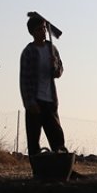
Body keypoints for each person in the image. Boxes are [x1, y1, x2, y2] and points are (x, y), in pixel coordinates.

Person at [19, 15, 66, 156]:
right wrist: (29, 102)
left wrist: (55, 65)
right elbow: (24, 80)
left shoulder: (52, 49)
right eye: (39, 29)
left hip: (50, 100)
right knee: (34, 138)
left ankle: (62, 167)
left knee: (57, 136)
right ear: (32, 32)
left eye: (44, 28)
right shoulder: (29, 52)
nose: (43, 32)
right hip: (35, 100)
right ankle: (38, 170)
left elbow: (58, 72)